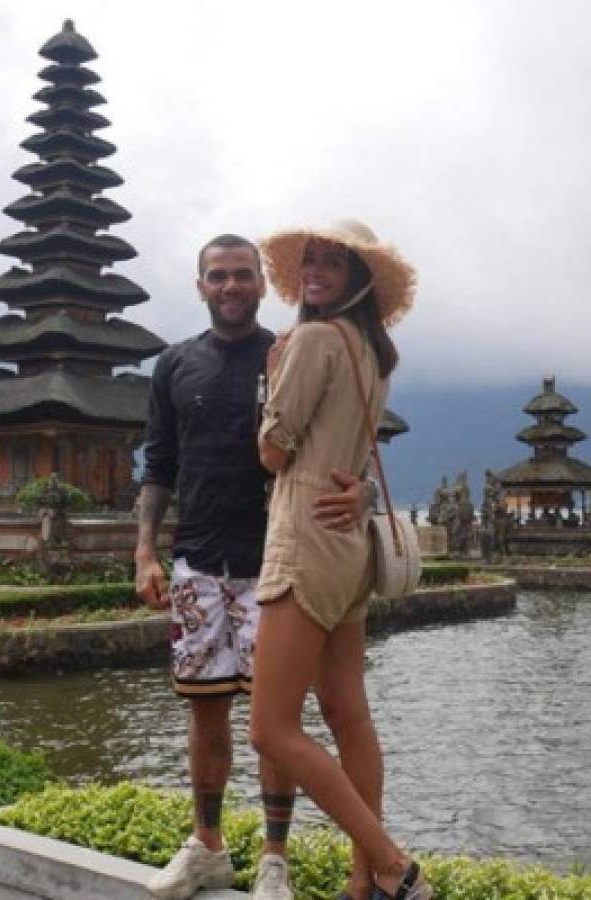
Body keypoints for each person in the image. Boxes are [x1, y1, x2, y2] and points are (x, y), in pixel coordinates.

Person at [135, 233, 370, 900]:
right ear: (200, 286)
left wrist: (364, 492)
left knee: (277, 725)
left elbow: (344, 441)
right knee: (204, 714)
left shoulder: (293, 350)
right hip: (197, 560)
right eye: (218, 276)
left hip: (276, 564)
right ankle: (207, 845)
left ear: (263, 285)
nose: (231, 286)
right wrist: (145, 550)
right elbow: (159, 464)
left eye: (243, 275)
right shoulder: (175, 364)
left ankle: (274, 859)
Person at [250, 220, 431, 900]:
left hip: (304, 538)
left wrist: (273, 378)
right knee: (346, 713)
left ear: (358, 278)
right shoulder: (370, 354)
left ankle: (391, 865)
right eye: (311, 260)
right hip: (349, 545)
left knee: (270, 728)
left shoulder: (315, 340)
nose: (315, 271)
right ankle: (361, 884)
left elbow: (273, 452)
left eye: (332, 262)